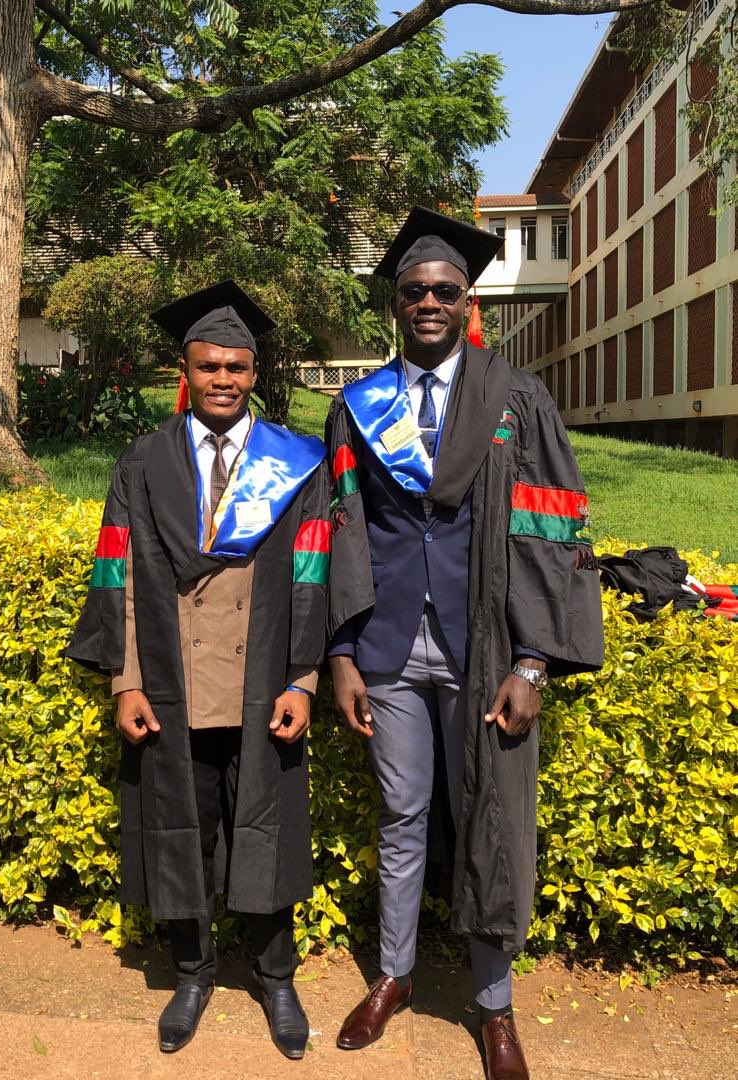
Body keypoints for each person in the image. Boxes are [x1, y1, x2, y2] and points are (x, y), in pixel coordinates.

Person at [326, 208, 604, 1079]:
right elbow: (342, 529)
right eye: (414, 289)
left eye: (445, 290)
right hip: (388, 647)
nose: (429, 302)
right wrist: (341, 652)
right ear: (396, 301)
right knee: (402, 816)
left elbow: (552, 527)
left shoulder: (515, 397)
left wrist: (533, 661)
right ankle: (395, 975)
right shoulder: (357, 408)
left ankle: (494, 1006)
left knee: (492, 815)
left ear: (467, 300)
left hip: (485, 647)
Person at [67, 281, 331, 1061]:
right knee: (178, 827)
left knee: (266, 826)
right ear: (184, 369)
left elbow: (312, 572)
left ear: (255, 372)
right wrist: (126, 680)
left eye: (236, 367)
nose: (223, 379)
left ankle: (276, 978)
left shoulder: (295, 462)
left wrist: (302, 679)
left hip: (262, 681)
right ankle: (192, 973)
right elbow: (117, 572)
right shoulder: (144, 461)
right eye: (209, 365)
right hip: (172, 682)